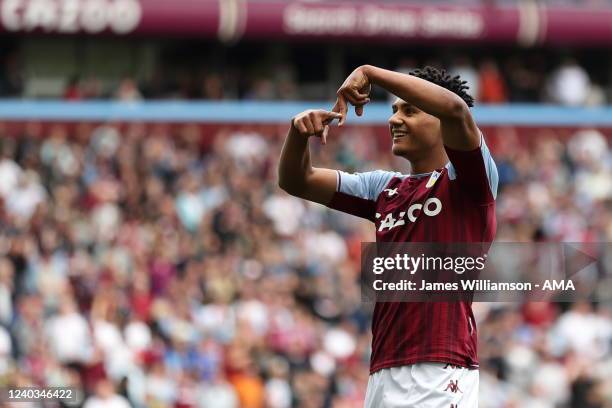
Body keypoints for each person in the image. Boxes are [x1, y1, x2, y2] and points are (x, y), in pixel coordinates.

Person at [278, 65, 498, 407]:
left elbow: (455, 108)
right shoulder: (385, 188)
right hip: (383, 370)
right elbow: (297, 180)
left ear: (441, 122)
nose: (394, 119)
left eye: (409, 109)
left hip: (440, 368)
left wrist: (370, 73)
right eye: (394, 110)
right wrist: (297, 133)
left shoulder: (470, 182)